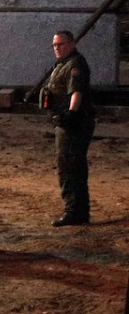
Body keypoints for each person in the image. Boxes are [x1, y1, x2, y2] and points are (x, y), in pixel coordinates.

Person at [40, 29, 95, 227]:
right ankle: (78, 210)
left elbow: (76, 91)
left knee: (69, 167)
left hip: (73, 124)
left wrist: (71, 114)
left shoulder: (75, 64)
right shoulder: (62, 64)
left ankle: (74, 212)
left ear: (71, 44)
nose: (57, 48)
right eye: (54, 45)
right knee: (73, 166)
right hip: (65, 122)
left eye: (61, 44)